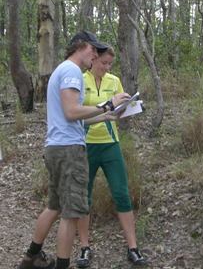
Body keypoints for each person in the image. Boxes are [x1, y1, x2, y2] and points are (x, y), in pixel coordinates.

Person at [17, 31, 129, 269]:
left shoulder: (63, 70)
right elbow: (71, 112)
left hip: (58, 146)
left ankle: (31, 257)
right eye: (94, 51)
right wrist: (107, 103)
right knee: (71, 213)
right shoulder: (71, 71)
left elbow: (72, 118)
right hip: (68, 151)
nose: (96, 56)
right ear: (83, 46)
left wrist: (105, 114)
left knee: (55, 206)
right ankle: (62, 265)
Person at [75, 45, 148, 267]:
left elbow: (118, 112)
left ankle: (133, 248)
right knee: (84, 197)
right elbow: (75, 113)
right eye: (103, 63)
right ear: (93, 59)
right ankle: (84, 248)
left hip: (110, 145)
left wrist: (128, 106)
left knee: (121, 193)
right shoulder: (79, 79)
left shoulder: (114, 81)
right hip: (85, 144)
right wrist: (104, 109)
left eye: (110, 64)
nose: (106, 68)